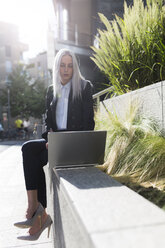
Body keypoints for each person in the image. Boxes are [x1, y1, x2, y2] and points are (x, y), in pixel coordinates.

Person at [14, 48, 95, 240]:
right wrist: (49, 136)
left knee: (32, 154)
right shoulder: (52, 90)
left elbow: (89, 123)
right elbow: (47, 121)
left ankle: (38, 217)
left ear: (74, 67)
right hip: (55, 141)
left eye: (70, 66)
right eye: (62, 65)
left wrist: (68, 140)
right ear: (56, 67)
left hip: (73, 143)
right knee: (28, 150)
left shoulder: (84, 87)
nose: (66, 70)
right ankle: (35, 207)